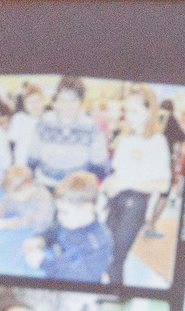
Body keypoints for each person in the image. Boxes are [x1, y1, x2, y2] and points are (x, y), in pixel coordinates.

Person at [102, 104, 175, 282]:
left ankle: (118, 295)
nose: (128, 115)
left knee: (116, 258)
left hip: (135, 205)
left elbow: (163, 184)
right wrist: (109, 183)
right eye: (127, 110)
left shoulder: (157, 141)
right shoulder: (126, 138)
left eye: (134, 110)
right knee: (108, 254)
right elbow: (118, 171)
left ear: (148, 112)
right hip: (115, 201)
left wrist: (126, 183)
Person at [27, 171, 114, 283]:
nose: (59, 216)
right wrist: (39, 240)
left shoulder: (98, 243)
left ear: (86, 208)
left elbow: (80, 279)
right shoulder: (66, 222)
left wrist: (43, 263)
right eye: (58, 210)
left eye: (64, 212)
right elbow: (52, 233)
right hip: (56, 268)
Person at [27, 78, 111, 186]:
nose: (67, 105)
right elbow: (32, 158)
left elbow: (100, 165)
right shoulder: (45, 122)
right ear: (56, 101)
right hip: (44, 184)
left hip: (76, 190)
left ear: (80, 101)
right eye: (63, 100)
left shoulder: (91, 127)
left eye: (73, 100)